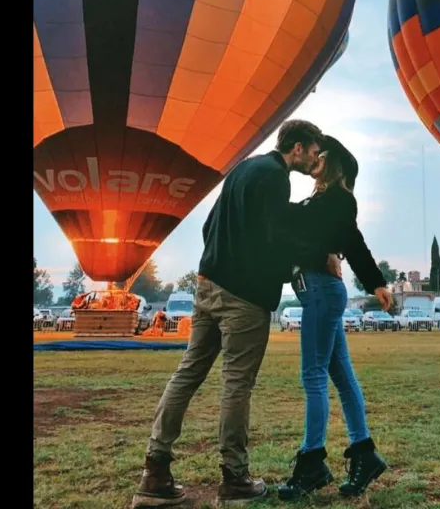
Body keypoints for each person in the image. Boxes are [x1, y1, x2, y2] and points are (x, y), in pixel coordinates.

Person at [132, 120, 325, 508]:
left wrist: (218, 264)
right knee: (237, 384)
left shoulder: (244, 168)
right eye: (314, 152)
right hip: (244, 298)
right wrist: (310, 260)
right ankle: (234, 478)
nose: (316, 160)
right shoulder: (276, 177)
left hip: (208, 286)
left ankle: (155, 471)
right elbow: (275, 238)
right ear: (298, 148)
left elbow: (209, 226)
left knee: (189, 372)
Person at [276, 135, 391, 501]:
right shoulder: (322, 200)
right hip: (321, 290)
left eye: (321, 154)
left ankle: (311, 461)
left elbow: (352, 243)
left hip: (322, 292)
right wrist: (374, 282)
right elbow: (342, 239)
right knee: (341, 376)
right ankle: (364, 454)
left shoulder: (339, 199)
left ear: (334, 163)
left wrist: (375, 282)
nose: (316, 157)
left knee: (313, 375)